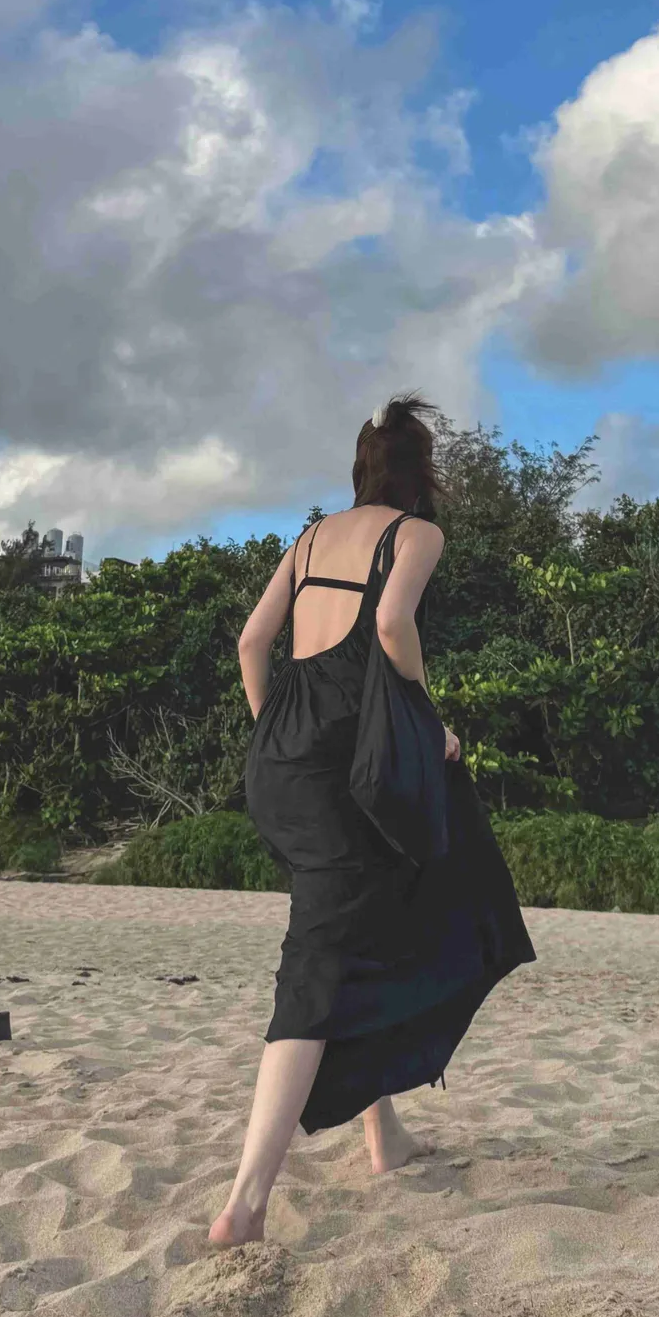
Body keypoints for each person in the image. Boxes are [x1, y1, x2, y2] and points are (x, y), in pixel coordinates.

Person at [209, 391, 536, 1248]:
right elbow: (391, 625)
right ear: (421, 473)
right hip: (346, 775)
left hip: (280, 763)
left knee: (376, 925)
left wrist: (275, 736)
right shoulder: (416, 535)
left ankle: (382, 1133)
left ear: (359, 469)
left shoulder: (311, 538)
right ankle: (245, 1203)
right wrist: (429, 722)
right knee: (318, 966)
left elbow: (251, 644)